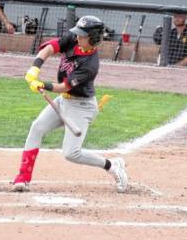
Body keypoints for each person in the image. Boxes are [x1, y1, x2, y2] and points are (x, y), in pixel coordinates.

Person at [10, 15, 128, 193]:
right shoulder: (74, 38)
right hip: (64, 100)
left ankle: (112, 165)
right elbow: (50, 48)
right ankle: (23, 178)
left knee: (71, 153)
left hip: (81, 106)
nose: (78, 37)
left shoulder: (90, 65)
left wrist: (43, 85)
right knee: (37, 128)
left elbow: (64, 86)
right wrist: (35, 67)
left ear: (94, 38)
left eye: (83, 35)